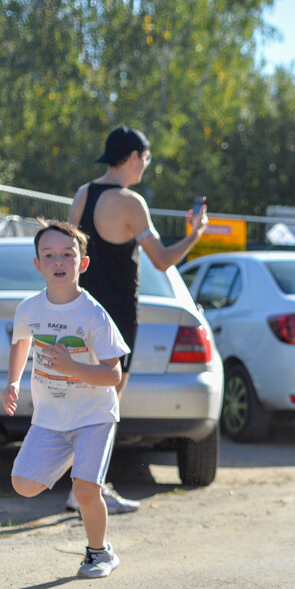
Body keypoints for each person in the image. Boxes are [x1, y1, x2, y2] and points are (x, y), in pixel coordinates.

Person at [67, 125, 209, 515]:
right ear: (132, 157)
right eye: (145, 158)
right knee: (108, 405)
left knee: (86, 403)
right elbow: (162, 260)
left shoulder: (82, 194)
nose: (145, 165)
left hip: (82, 311)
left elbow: (71, 256)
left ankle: (81, 488)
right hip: (117, 317)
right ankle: (88, 490)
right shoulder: (131, 203)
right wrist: (196, 234)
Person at [2, 221, 130, 578]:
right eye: (49, 255)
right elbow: (21, 342)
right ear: (37, 264)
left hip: (94, 415)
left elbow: (113, 375)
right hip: (51, 417)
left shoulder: (93, 314)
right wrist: (12, 381)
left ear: (82, 263)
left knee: (86, 491)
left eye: (67, 255)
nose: (58, 261)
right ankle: (75, 455)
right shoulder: (29, 308)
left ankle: (99, 553)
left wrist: (72, 366)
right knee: (23, 484)